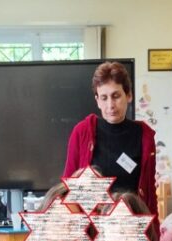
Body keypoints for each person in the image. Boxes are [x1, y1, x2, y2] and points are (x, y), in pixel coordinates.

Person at [64, 61, 158, 215]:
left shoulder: (144, 136)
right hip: (92, 224)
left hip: (129, 223)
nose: (110, 105)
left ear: (128, 95)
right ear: (97, 100)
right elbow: (68, 188)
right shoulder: (82, 132)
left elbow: (149, 192)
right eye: (104, 97)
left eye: (116, 96)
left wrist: (154, 228)